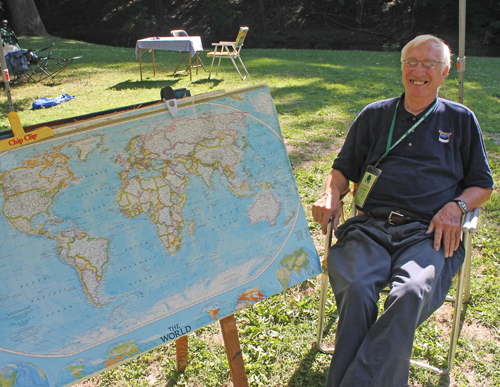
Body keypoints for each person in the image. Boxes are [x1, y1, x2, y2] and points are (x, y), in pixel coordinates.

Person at [312, 34, 494, 387]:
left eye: (430, 64)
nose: (419, 70)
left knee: (411, 291)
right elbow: (342, 172)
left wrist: (456, 207)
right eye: (412, 62)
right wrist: (330, 194)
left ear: (445, 73)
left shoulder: (460, 119)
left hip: (428, 234)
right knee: (358, 285)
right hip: (368, 228)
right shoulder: (375, 115)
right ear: (401, 68)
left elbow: (482, 186)